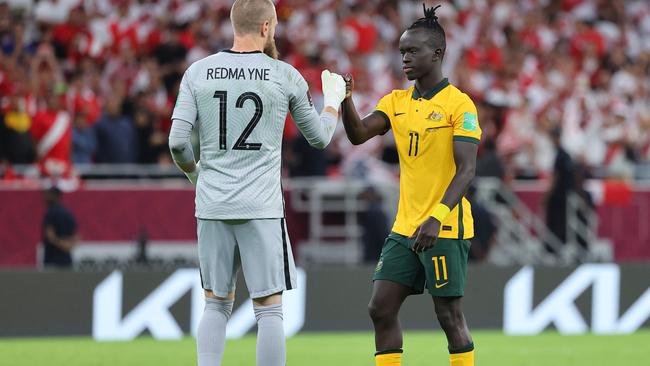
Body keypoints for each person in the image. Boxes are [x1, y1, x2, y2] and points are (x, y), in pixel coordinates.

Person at [167, 1, 346, 365]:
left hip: (213, 203)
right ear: (267, 28)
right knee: (269, 310)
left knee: (215, 304)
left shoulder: (198, 72)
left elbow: (176, 142)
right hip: (261, 208)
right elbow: (319, 139)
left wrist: (195, 175)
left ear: (235, 24)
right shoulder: (284, 75)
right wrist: (333, 103)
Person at [339, 5, 480, 366]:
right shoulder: (396, 102)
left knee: (449, 316)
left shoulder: (459, 104)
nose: (404, 58)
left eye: (412, 51)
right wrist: (345, 101)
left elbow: (465, 170)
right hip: (405, 227)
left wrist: (436, 217)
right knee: (380, 308)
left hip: (445, 227)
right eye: (402, 51)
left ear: (437, 54)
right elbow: (358, 136)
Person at [42, 186, 79, 268]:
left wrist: (60, 243)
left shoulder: (50, 212)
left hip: (51, 257)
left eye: (48, 194)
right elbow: (76, 235)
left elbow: (50, 235)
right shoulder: (68, 212)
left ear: (55, 196)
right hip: (66, 258)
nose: (45, 197)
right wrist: (68, 246)